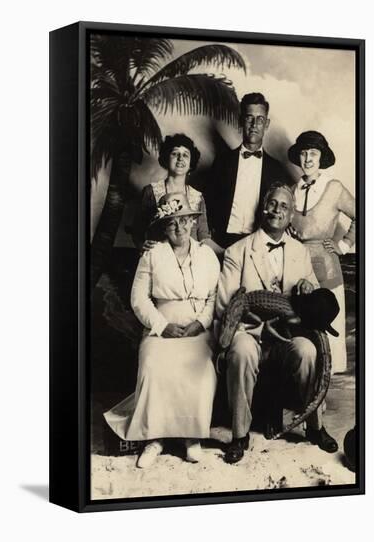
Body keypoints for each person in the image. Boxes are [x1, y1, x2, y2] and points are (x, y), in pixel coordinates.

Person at [216, 182, 338, 464]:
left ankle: (315, 427)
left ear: (292, 214)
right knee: (243, 350)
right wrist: (259, 325)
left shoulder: (300, 252)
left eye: (284, 206)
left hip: (286, 336)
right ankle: (239, 434)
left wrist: (309, 286)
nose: (277, 210)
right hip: (249, 333)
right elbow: (225, 306)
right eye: (272, 203)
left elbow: (312, 308)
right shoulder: (238, 251)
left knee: (308, 350)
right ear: (263, 207)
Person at [104, 193, 221, 468]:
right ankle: (154, 438)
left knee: (202, 371)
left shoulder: (207, 255)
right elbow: (139, 299)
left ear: (193, 222)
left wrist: (200, 324)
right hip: (161, 327)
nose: (178, 228)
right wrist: (161, 326)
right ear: (163, 227)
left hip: (196, 329)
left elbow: (214, 296)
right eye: (171, 223)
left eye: (183, 221)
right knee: (153, 365)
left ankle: (190, 436)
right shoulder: (152, 255)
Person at [288, 131, 355, 373]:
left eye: (313, 153)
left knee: (328, 332)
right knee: (301, 331)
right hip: (296, 268)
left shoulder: (334, 188)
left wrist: (343, 245)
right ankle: (307, 385)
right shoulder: (290, 190)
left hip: (326, 267)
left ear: (321, 157)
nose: (307, 159)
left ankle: (325, 383)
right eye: (303, 153)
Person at [202, 92, 292, 249]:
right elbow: (208, 203)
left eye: (260, 119)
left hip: (260, 243)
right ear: (241, 121)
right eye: (249, 118)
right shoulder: (222, 162)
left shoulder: (276, 169)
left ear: (267, 124)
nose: (254, 124)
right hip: (222, 242)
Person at [133, 133, 223, 255]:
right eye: (175, 154)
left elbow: (203, 238)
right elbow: (137, 231)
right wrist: (141, 245)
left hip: (190, 261)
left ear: (191, 163)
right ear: (166, 158)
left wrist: (226, 252)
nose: (180, 158)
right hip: (159, 259)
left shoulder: (198, 197)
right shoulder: (150, 192)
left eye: (185, 155)